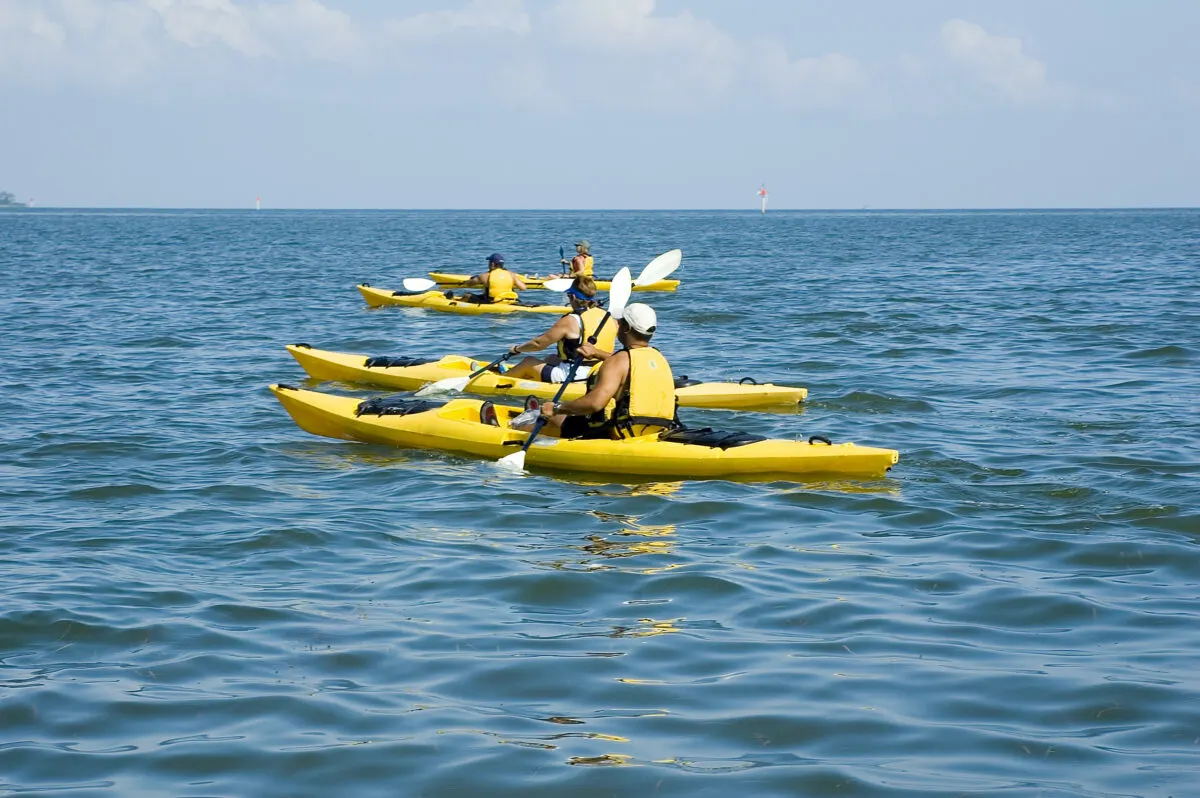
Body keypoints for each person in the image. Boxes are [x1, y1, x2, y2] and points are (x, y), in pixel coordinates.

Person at [517, 303, 678, 440]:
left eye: (620, 323)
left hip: (616, 432)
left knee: (553, 418)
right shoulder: (658, 358)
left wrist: (557, 408)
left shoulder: (618, 361)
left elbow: (595, 403)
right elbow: (628, 362)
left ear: (627, 328)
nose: (618, 326)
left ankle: (516, 431)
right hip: (655, 428)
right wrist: (596, 353)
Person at [504, 276, 616, 383]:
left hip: (575, 375)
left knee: (528, 362)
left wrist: (517, 349)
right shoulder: (608, 317)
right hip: (598, 371)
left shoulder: (570, 320)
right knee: (551, 358)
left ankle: (501, 380)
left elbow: (538, 344)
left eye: (568, 295)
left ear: (573, 297)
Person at [447, 253, 526, 304]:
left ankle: (453, 302)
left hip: (492, 302)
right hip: (510, 300)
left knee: (467, 295)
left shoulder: (484, 276)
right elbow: (523, 288)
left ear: (492, 264)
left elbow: (469, 283)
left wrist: (465, 282)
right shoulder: (511, 274)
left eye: (489, 262)